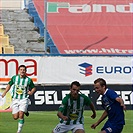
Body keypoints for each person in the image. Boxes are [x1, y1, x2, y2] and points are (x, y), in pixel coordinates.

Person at [2, 65, 36, 133]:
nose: (22, 71)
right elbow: (9, 85)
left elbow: (34, 87)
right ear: (18, 71)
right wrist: (5, 92)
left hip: (24, 99)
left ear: (26, 71)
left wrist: (31, 92)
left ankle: (19, 131)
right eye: (21, 70)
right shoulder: (15, 78)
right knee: (15, 117)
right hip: (15, 99)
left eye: (24, 70)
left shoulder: (28, 80)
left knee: (21, 114)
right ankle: (25, 111)